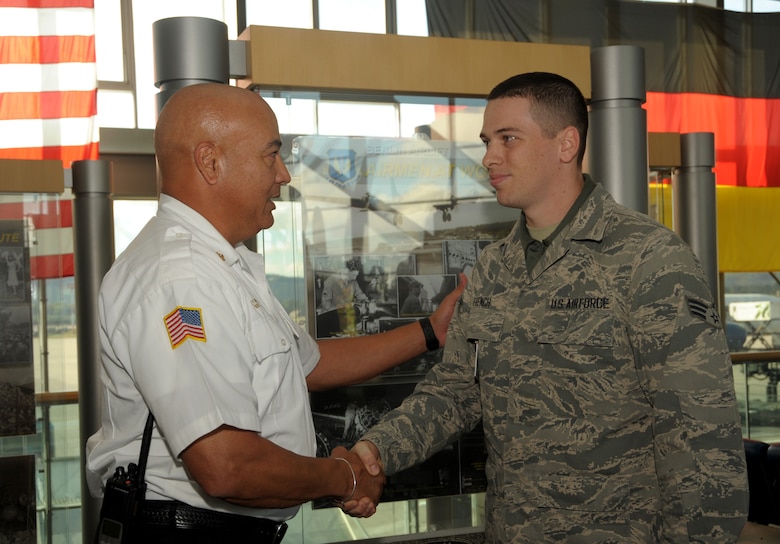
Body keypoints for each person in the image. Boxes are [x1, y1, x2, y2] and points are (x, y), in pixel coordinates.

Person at [349, 72, 749, 542]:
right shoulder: (495, 269)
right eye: (486, 141)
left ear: (566, 144)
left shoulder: (649, 259)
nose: (489, 157)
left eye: (508, 139)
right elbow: (457, 391)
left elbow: (701, 439)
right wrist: (375, 451)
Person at [85, 83, 465, 543]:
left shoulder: (224, 264)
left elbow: (311, 363)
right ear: (210, 161)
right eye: (271, 154)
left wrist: (430, 331)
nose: (284, 174)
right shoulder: (180, 279)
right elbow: (226, 466)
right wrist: (342, 477)